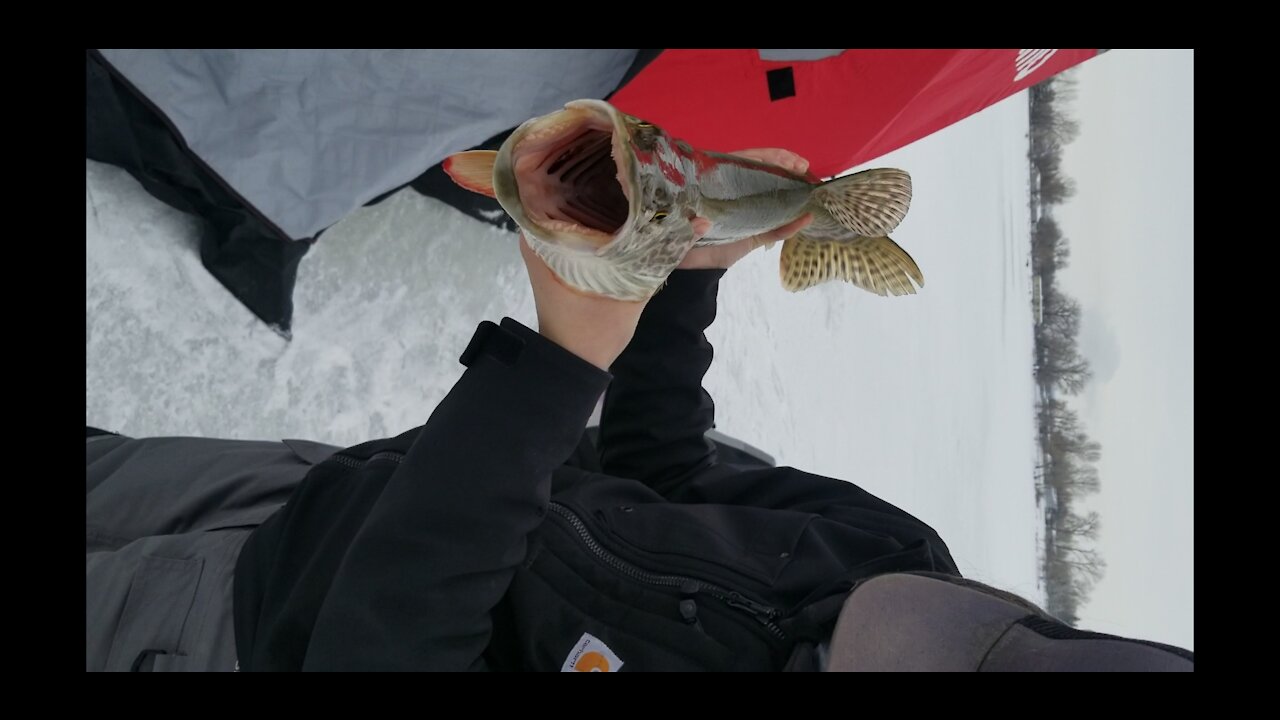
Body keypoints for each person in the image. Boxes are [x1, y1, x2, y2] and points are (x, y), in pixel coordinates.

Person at [86, 149, 1192, 672]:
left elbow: (383, 646)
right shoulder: (896, 558)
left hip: (218, 640)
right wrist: (687, 277)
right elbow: (666, 475)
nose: (892, 618)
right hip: (325, 494)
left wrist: (559, 360)